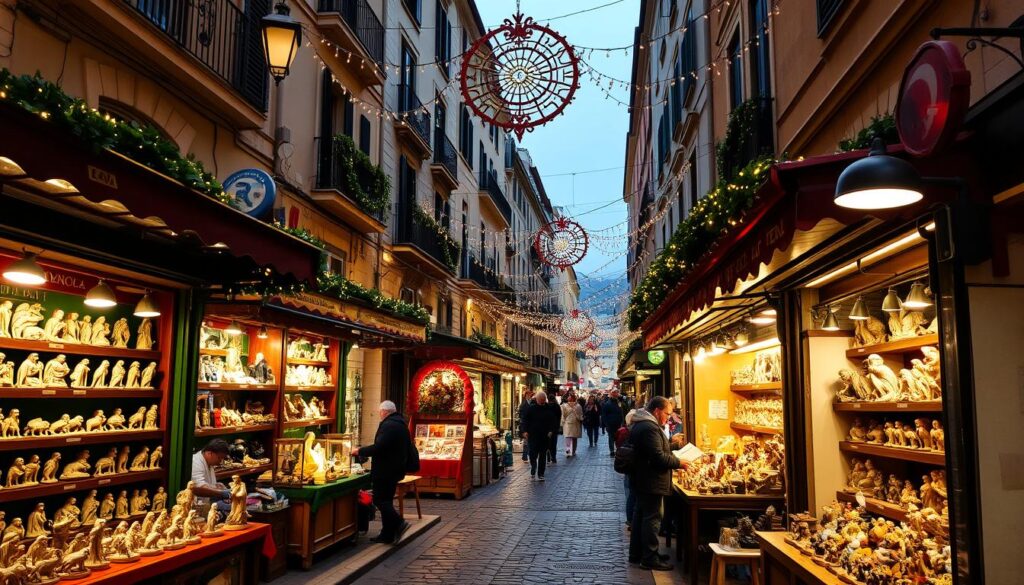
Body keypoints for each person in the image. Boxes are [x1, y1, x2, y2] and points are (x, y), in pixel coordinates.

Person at [629, 396, 688, 571]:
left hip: (643, 480)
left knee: (641, 517)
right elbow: (658, 457)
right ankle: (649, 558)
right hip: (650, 481)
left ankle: (639, 554)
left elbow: (656, 449)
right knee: (652, 519)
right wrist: (680, 463)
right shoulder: (649, 428)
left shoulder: (645, 424)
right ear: (657, 411)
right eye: (667, 414)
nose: (669, 418)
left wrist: (672, 445)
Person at [352, 401, 413, 544]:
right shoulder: (400, 423)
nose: (379, 415)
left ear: (384, 412)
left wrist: (359, 451)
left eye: (380, 412)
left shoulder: (389, 425)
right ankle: (387, 534)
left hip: (385, 471)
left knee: (380, 500)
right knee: (387, 500)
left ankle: (399, 523)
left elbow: (380, 447)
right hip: (395, 469)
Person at [521, 390, 560, 481]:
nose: (542, 401)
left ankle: (541, 473)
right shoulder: (531, 408)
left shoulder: (549, 409)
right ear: (537, 399)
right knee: (532, 454)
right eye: (541, 399)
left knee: (542, 455)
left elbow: (553, 421)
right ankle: (533, 468)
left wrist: (551, 431)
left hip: (545, 436)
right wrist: (525, 431)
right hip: (533, 435)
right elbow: (525, 420)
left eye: (543, 399)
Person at [190, 439, 232, 510]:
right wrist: (221, 493)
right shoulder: (195, 462)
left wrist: (216, 486)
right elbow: (199, 488)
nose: (220, 461)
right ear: (210, 453)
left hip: (205, 505)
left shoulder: (209, 462)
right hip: (195, 507)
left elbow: (206, 484)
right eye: (219, 458)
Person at [619, 409, 638, 528]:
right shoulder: (631, 432)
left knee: (629, 493)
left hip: (628, 467)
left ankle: (630, 519)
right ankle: (631, 519)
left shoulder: (625, 431)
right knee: (631, 494)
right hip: (632, 467)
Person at [601, 389, 625, 455]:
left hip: (619, 423)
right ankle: (612, 450)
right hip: (611, 424)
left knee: (618, 437)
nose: (616, 395)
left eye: (617, 394)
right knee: (611, 437)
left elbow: (623, 411)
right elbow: (604, 415)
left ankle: (617, 449)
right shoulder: (607, 404)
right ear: (611, 395)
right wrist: (606, 424)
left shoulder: (619, 402)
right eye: (614, 394)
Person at [544, 389, 562, 464]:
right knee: (554, 443)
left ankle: (548, 457)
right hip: (555, 428)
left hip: (547, 428)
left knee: (547, 443)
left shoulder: (546, 406)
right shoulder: (557, 406)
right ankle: (553, 457)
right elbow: (559, 417)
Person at [518, 390, 534, 463]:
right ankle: (525, 457)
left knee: (529, 442)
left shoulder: (531, 402)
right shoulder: (523, 404)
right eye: (528, 394)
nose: (530, 396)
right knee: (526, 442)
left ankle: (527, 456)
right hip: (525, 425)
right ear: (526, 395)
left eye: (530, 394)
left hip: (530, 426)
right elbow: (521, 415)